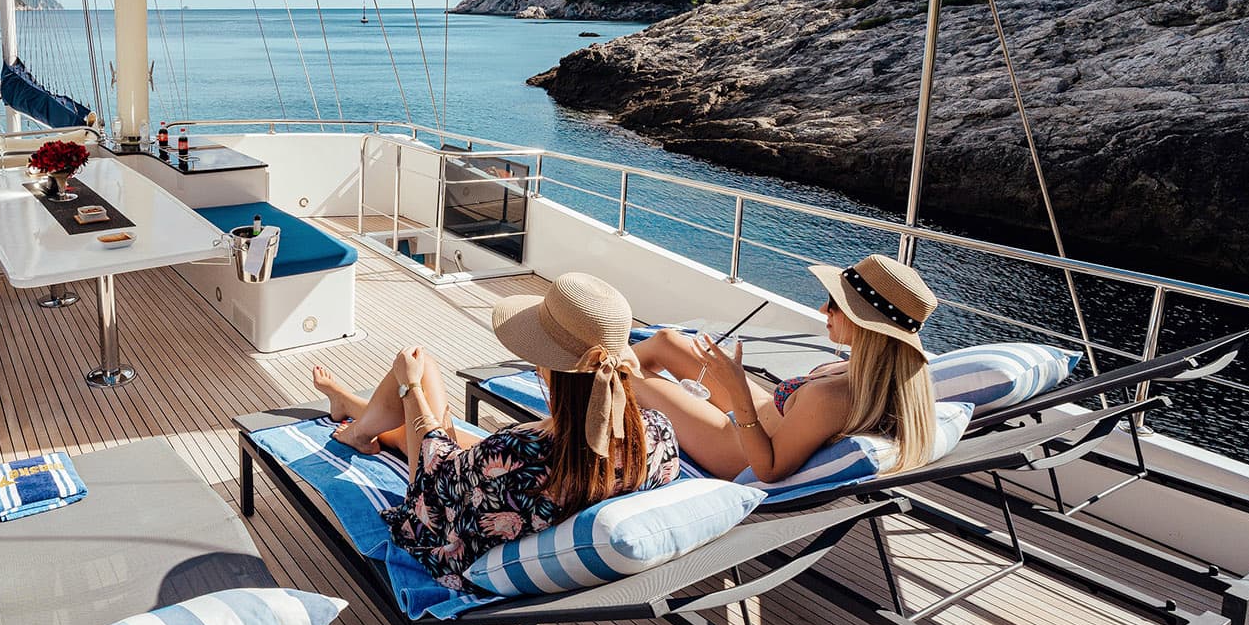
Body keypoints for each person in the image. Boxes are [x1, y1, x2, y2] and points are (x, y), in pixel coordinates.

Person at [310, 273, 681, 591]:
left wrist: (411, 388)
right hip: (533, 496)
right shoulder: (657, 434)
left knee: (421, 367)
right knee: (452, 436)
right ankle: (352, 411)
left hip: (457, 546)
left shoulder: (515, 454)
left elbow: (433, 479)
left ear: (547, 367)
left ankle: (357, 430)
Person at [627, 254, 941, 482]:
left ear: (864, 323)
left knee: (625, 374)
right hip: (759, 415)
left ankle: (599, 393)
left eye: (834, 303)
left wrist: (738, 389)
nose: (823, 309)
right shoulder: (869, 374)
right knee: (667, 340)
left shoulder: (832, 398)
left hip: (738, 448)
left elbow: (768, 469)